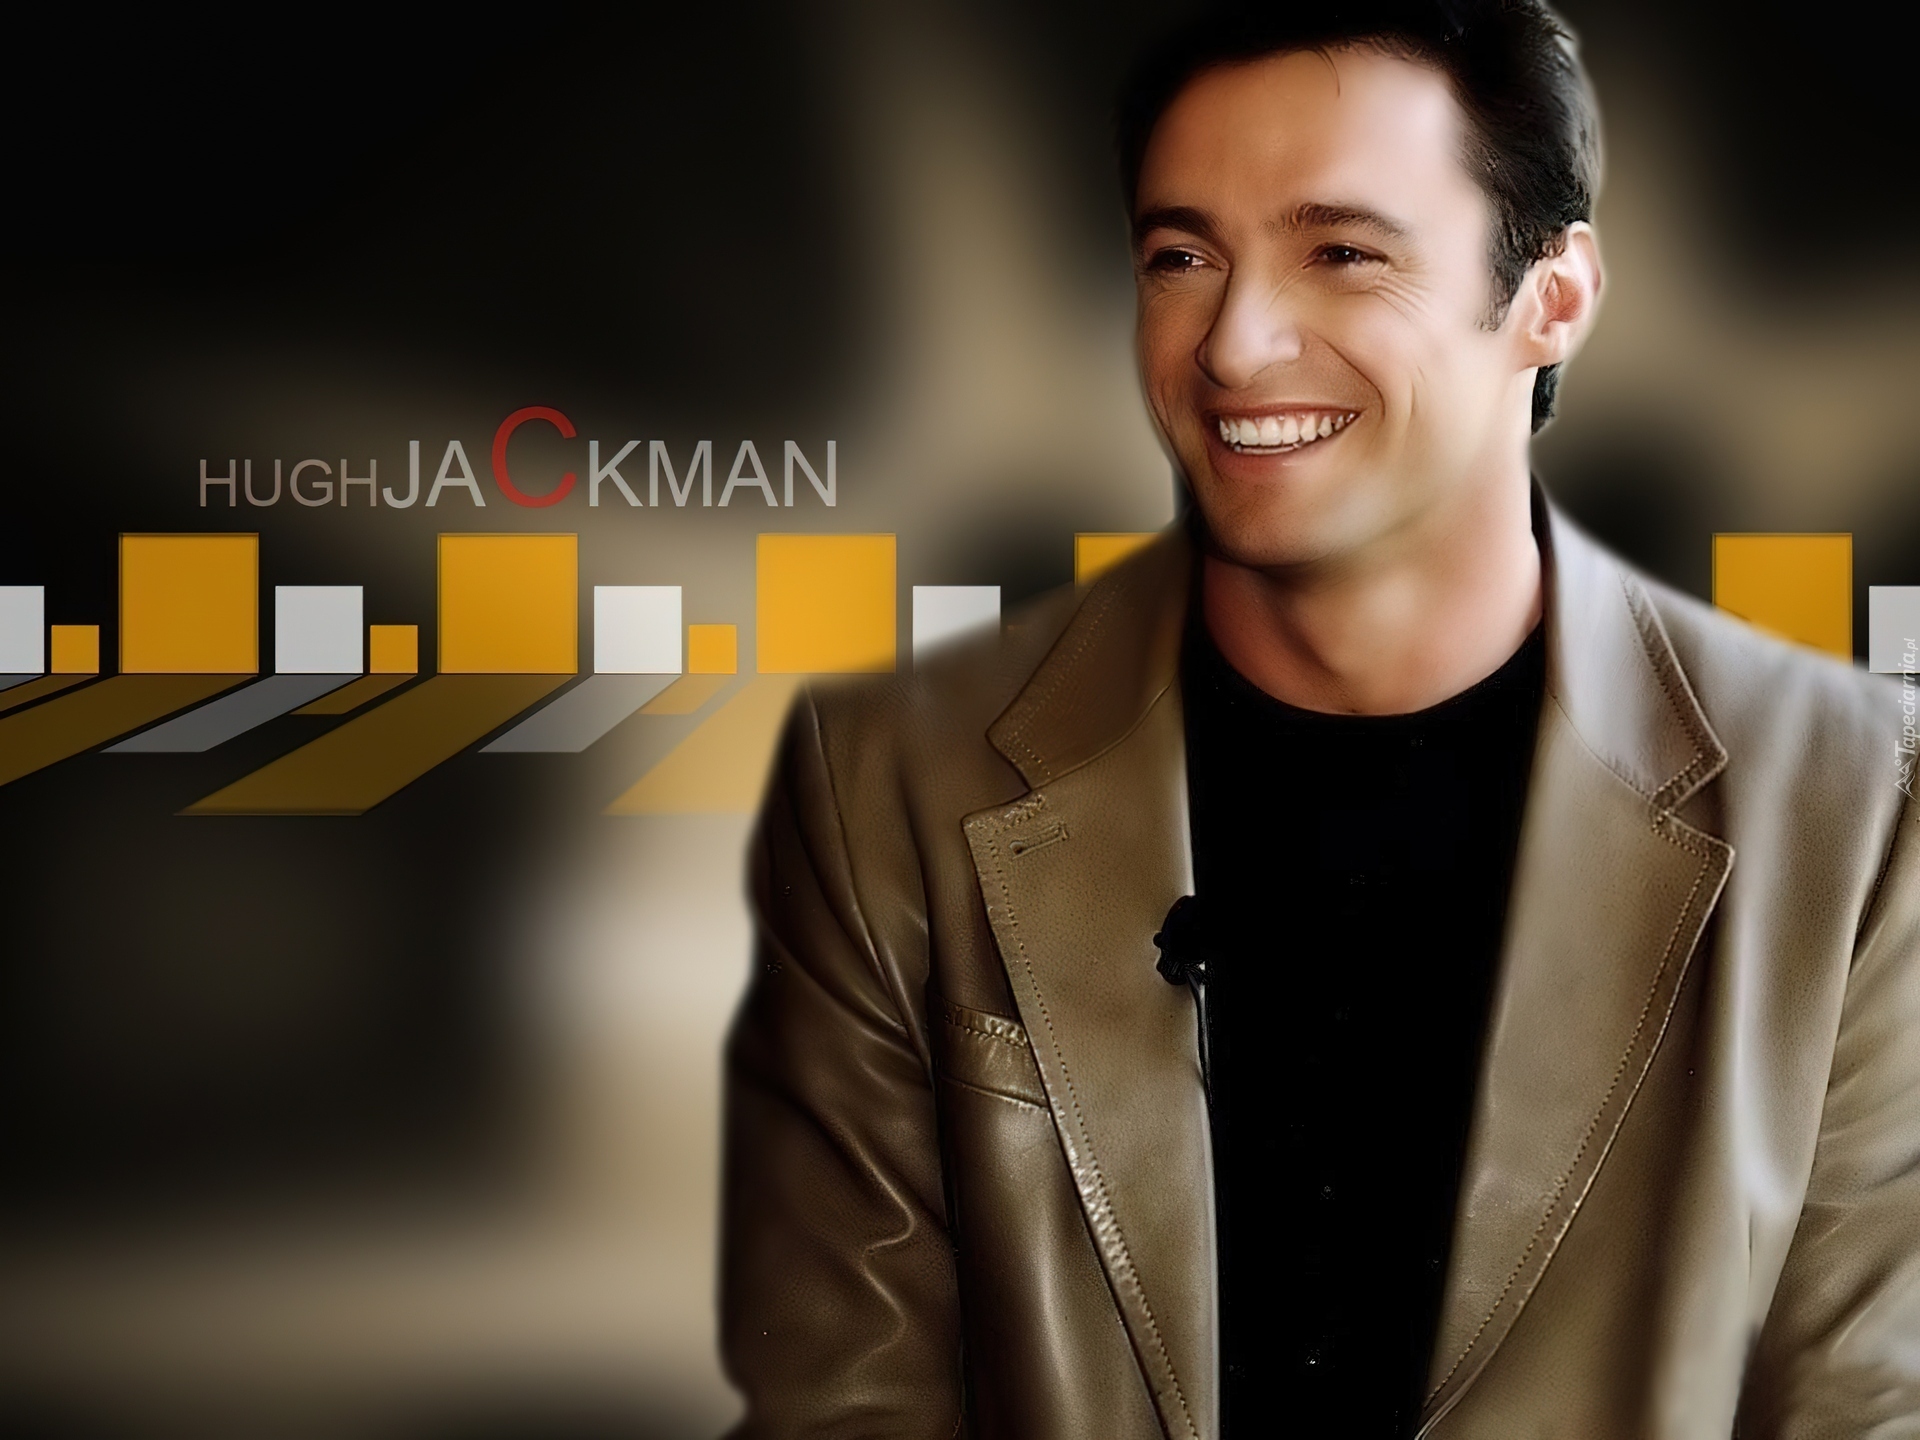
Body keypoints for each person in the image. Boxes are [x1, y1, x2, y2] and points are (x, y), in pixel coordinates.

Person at [719, 3, 1920, 1435]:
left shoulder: (1858, 800)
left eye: (1342, 252)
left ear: (1552, 298)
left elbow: (1869, 1401)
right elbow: (846, 1401)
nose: (1232, 344)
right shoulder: (889, 781)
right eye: (1181, 257)